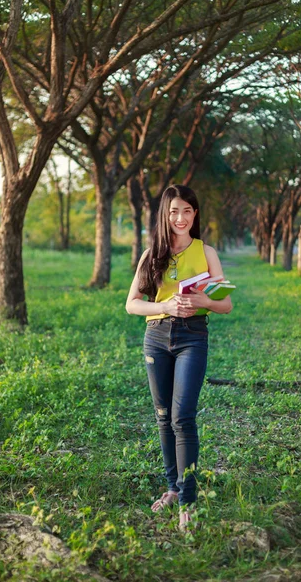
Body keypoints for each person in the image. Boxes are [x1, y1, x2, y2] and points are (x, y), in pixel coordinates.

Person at [126, 184, 233, 531]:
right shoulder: (151, 254)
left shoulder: (206, 253)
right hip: (156, 338)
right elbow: (132, 304)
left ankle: (188, 501)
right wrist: (165, 305)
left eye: (187, 210)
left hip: (192, 338)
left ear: (195, 214)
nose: (181, 218)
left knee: (182, 417)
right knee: (162, 418)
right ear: (165, 214)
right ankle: (172, 488)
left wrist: (200, 301)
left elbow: (225, 304)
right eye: (174, 211)